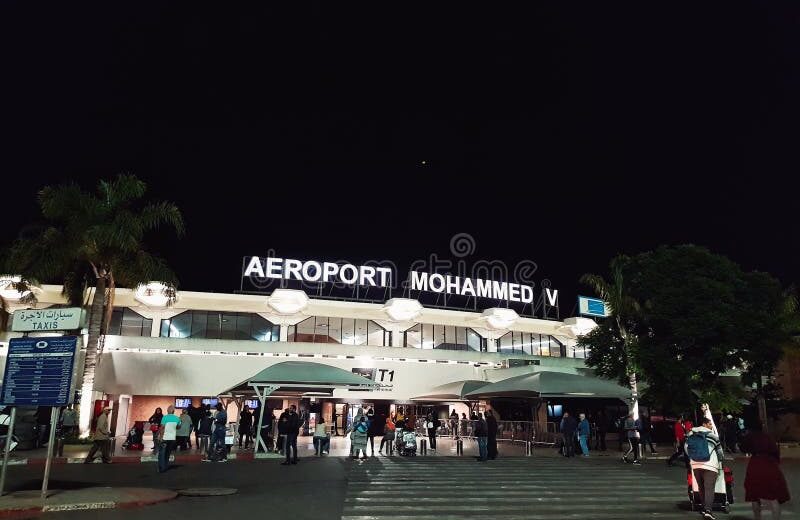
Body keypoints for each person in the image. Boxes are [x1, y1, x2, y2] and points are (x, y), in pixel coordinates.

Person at [740, 422, 790, 520]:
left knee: (754, 496)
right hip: (770, 464)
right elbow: (776, 452)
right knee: (774, 497)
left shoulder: (750, 436)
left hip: (755, 464)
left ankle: (757, 518)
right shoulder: (768, 437)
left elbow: (743, 448)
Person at [685, 417, 724, 520]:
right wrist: (720, 461)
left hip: (695, 464)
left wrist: (693, 457)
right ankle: (708, 511)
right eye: (710, 424)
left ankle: (704, 508)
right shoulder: (713, 436)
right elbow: (720, 452)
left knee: (701, 487)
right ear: (705, 424)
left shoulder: (691, 434)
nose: (711, 426)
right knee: (709, 488)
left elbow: (686, 448)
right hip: (710, 465)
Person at [157, 405, 181, 473]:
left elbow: (162, 428)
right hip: (172, 439)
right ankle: (165, 466)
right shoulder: (177, 418)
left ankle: (162, 468)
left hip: (165, 438)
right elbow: (179, 427)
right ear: (173, 411)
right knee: (167, 453)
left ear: (168, 411)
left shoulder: (165, 417)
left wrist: (160, 437)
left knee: (162, 453)